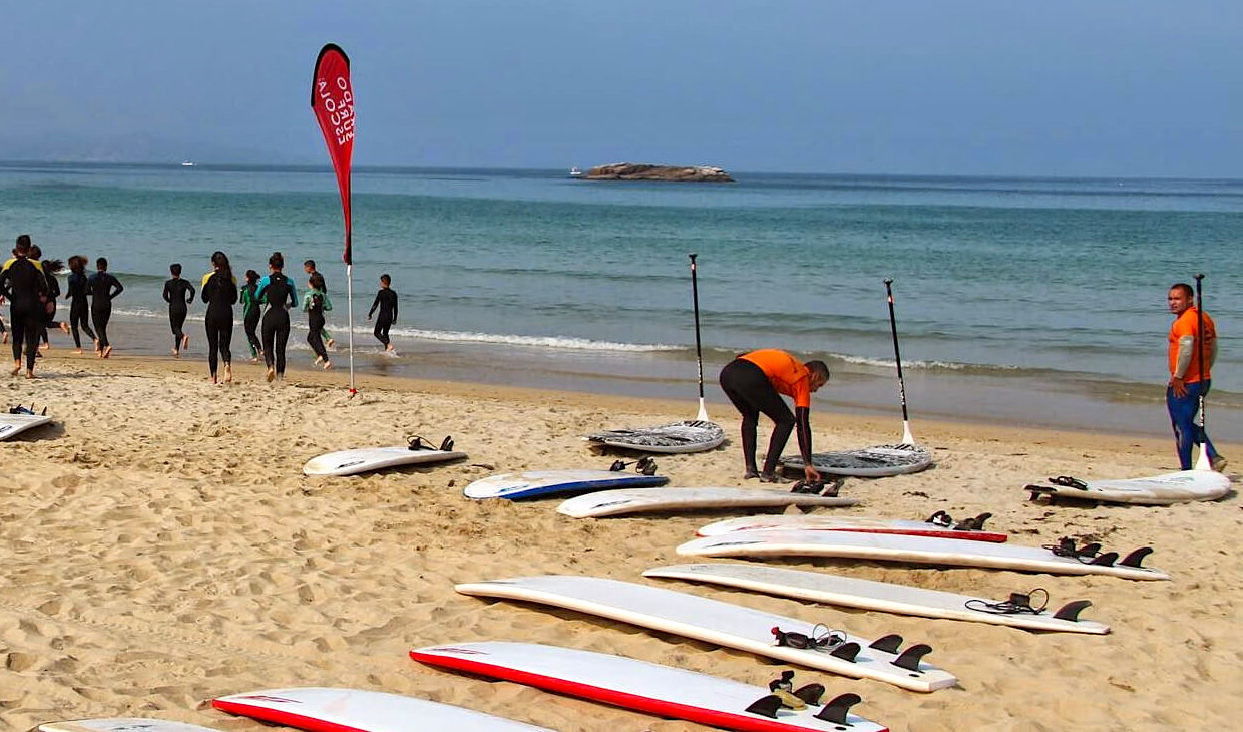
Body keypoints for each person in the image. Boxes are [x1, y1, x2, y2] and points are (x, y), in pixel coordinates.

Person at [719, 349, 829, 482]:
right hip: (750, 374)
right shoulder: (802, 377)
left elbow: (745, 358)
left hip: (728, 373)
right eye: (819, 384)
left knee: (750, 415)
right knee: (786, 421)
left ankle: (751, 470)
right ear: (815, 375)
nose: (816, 390)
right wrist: (808, 464)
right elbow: (803, 425)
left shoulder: (790, 369)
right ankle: (768, 473)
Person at [1166, 283, 1225, 471]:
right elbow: (1214, 347)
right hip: (1203, 379)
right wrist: (1206, 370)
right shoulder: (1204, 318)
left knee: (1180, 426)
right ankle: (1213, 457)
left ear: (1189, 299)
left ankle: (1186, 469)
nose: (1173, 303)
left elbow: (1187, 346)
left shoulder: (1184, 321)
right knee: (1186, 423)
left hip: (1186, 382)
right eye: (1170, 298)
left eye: (1177, 299)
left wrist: (1178, 376)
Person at [0, 235, 50, 377]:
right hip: (32, 305)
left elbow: (0, 284)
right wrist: (42, 297)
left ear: (17, 248)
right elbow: (45, 287)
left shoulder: (9, 264)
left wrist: (10, 296)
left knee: (17, 336)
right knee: (31, 338)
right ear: (29, 249)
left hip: (16, 304)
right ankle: (29, 371)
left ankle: (17, 363)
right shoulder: (36, 265)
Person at [257, 252, 297, 382]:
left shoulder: (265, 280)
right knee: (281, 349)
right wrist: (286, 306)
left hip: (269, 315)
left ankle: (270, 367)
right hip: (283, 317)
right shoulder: (290, 282)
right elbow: (295, 302)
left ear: (270, 266)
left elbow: (256, 296)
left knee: (267, 345)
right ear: (283, 266)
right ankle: (280, 378)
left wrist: (265, 299)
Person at [201, 251, 238, 384]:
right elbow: (234, 300)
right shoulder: (231, 278)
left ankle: (213, 377)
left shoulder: (207, 278)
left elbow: (204, 299)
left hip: (212, 313)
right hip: (226, 313)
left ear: (213, 264)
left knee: (212, 347)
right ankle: (227, 364)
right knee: (225, 345)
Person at [29, 245, 69, 350]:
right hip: (52, 303)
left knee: (40, 324)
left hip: (43, 303)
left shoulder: (40, 278)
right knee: (45, 323)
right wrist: (50, 299)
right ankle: (59, 325)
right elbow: (58, 292)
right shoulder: (52, 279)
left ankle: (43, 344)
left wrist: (44, 298)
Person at [87, 257, 123, 358]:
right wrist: (110, 296)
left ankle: (107, 345)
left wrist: (94, 293)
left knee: (98, 327)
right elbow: (120, 288)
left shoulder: (92, 278)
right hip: (107, 304)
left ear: (97, 266)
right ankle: (101, 352)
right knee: (102, 327)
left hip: (96, 304)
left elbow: (86, 291)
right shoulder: (110, 277)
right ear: (106, 267)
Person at [64, 255, 97, 354]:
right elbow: (87, 291)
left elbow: (71, 292)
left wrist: (67, 296)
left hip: (75, 304)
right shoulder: (84, 278)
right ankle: (95, 339)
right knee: (85, 325)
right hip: (84, 303)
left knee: (74, 326)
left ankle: (78, 348)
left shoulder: (70, 278)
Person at [163, 263, 195, 357]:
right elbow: (192, 290)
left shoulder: (168, 283)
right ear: (180, 272)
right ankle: (176, 349)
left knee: (175, 329)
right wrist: (190, 299)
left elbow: (164, 295)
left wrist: (169, 301)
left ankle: (183, 337)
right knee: (178, 328)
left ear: (171, 272)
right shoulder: (185, 282)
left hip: (173, 307)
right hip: (183, 307)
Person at [302, 271, 333, 369]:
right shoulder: (323, 295)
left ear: (311, 284)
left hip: (313, 320)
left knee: (317, 340)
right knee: (310, 338)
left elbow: (304, 308)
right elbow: (329, 307)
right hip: (321, 318)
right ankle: (320, 355)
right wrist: (322, 306)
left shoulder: (308, 295)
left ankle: (326, 360)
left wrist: (309, 307)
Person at [303, 259, 334, 348]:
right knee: (317, 326)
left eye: (305, 267)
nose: (305, 270)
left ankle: (322, 347)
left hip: (317, 304)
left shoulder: (315, 277)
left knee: (315, 327)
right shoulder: (318, 275)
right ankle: (327, 339)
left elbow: (321, 291)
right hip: (319, 302)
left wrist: (317, 301)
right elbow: (324, 290)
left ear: (309, 267)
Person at [367, 273, 398, 352]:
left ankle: (388, 344)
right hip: (390, 317)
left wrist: (370, 314)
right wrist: (395, 318)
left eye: (381, 282)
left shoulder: (381, 293)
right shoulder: (394, 294)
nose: (380, 283)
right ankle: (387, 350)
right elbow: (396, 308)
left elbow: (375, 304)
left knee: (376, 333)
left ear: (384, 283)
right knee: (385, 333)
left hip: (382, 316)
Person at [240, 269, 263, 361]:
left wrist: (242, 292)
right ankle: (258, 351)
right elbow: (263, 300)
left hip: (248, 312)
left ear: (247, 278)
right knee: (252, 332)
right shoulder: (258, 288)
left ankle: (256, 353)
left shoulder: (244, 288)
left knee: (249, 333)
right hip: (257, 311)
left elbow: (242, 301)